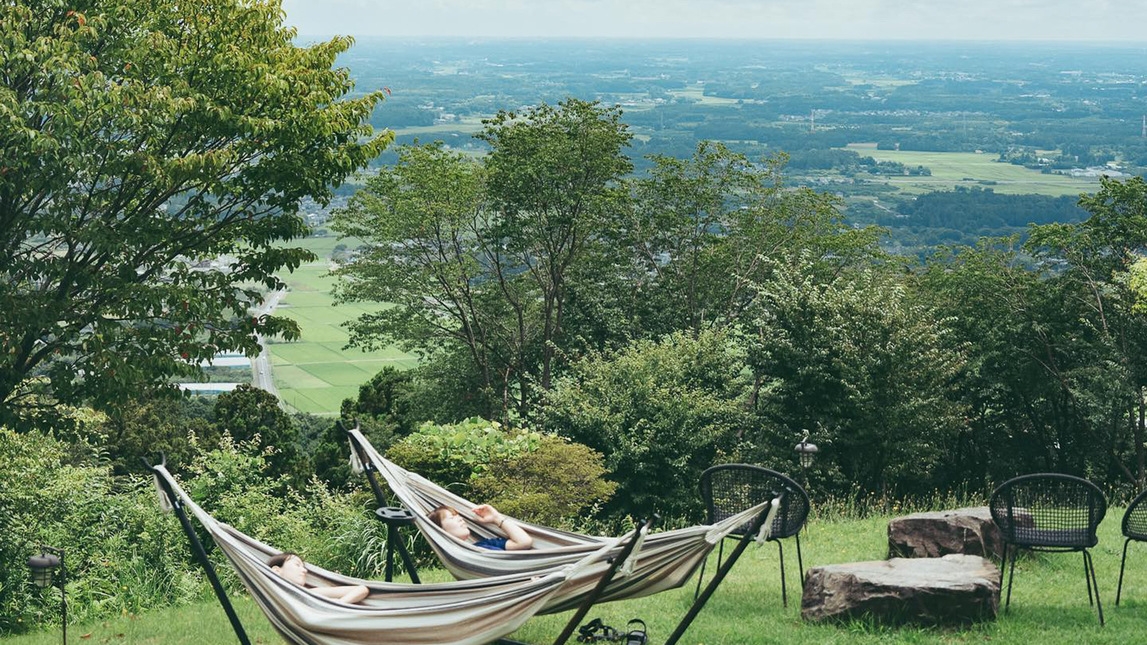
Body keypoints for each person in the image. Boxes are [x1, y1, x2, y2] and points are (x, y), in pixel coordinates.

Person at [268, 551, 370, 604]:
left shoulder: (310, 593)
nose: (305, 571)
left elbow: (362, 589)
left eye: (303, 567)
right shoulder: (271, 595)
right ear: (277, 570)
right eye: (297, 565)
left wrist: (340, 603)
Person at [428, 503, 533, 550]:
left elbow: (524, 542)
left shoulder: (484, 544)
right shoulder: (456, 557)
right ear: (439, 530)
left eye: (458, 516)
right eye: (452, 517)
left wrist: (496, 518)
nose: (460, 519)